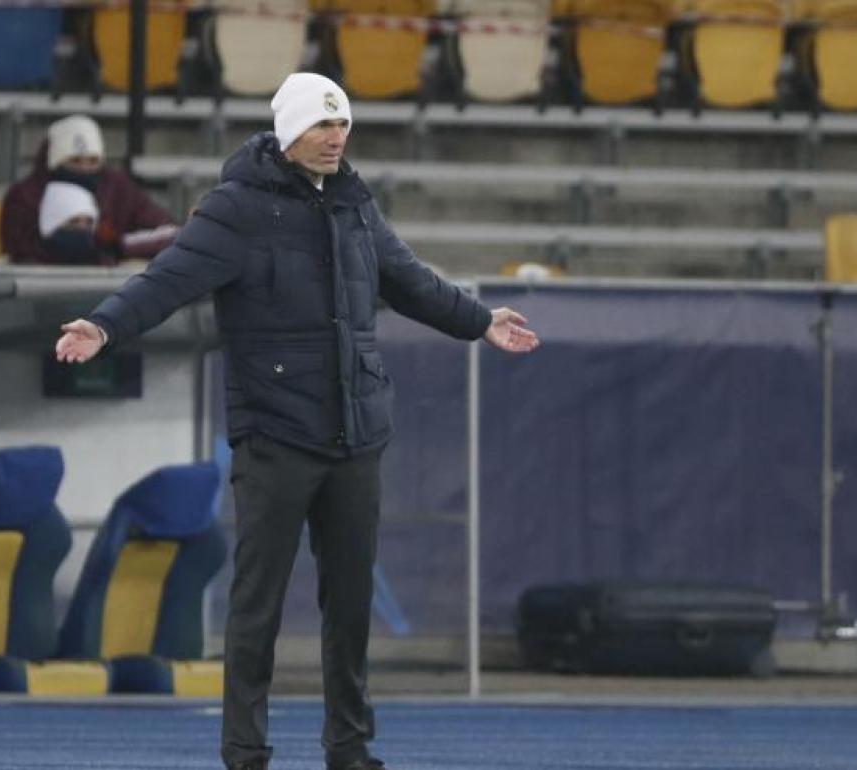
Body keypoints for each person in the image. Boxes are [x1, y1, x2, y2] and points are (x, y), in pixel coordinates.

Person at [54, 72, 539, 770]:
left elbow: (407, 278)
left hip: (357, 433)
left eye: (341, 126)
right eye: (320, 126)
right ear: (288, 133)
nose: (334, 137)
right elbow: (165, 280)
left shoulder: (354, 203)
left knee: (348, 610)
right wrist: (104, 327)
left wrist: (479, 321)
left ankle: (350, 749)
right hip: (276, 436)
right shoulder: (234, 209)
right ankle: (245, 753)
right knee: (259, 608)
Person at [0, 114, 177, 266]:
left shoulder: (117, 187)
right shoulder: (24, 196)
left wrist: (115, 246)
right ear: (54, 162)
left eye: (93, 161)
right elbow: (19, 252)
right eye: (75, 160)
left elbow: (168, 232)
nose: (85, 168)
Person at [38, 181, 101, 264]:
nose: (82, 227)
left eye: (89, 222)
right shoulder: (30, 264)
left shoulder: (104, 263)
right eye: (73, 221)